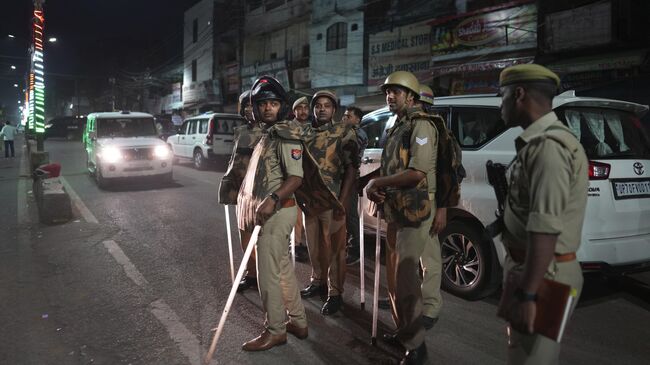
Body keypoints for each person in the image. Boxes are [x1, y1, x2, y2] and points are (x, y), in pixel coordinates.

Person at [498, 64, 588, 364]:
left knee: (530, 360)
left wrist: (528, 294)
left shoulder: (549, 147)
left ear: (519, 94)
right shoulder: (537, 143)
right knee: (523, 354)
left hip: (545, 275)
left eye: (503, 96)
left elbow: (545, 229)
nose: (502, 105)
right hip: (532, 270)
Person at [366, 71, 437, 364]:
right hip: (398, 208)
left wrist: (377, 184)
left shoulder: (421, 126)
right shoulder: (397, 125)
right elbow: (393, 167)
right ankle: (403, 329)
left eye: (396, 91)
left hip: (415, 211)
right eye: (388, 91)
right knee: (395, 278)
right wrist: (377, 185)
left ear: (411, 96)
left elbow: (417, 173)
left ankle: (417, 346)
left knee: (407, 279)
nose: (390, 96)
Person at [237, 76, 308, 351]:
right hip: (270, 213)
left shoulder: (286, 135)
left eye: (273, 103)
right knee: (282, 271)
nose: (268, 108)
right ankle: (298, 322)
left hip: (278, 213)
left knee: (267, 275)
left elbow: (296, 178)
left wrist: (272, 199)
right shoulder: (267, 134)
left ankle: (275, 330)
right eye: (263, 103)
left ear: (282, 106)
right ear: (255, 108)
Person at [300, 90, 360, 316]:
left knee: (336, 250)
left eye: (327, 105)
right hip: (310, 200)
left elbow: (352, 168)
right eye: (318, 105)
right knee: (314, 247)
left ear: (334, 110)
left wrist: (342, 202)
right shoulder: (305, 133)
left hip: (333, 201)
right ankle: (318, 282)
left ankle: (335, 293)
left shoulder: (343, 132)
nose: (322, 109)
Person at [218, 90, 264, 292]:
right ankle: (251, 274)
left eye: (252, 105)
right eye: (245, 105)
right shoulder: (239, 131)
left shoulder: (271, 131)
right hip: (241, 193)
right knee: (244, 238)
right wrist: (228, 186)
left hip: (261, 193)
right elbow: (234, 162)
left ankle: (266, 277)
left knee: (264, 241)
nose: (249, 109)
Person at [341, 106, 368, 265]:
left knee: (350, 215)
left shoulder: (357, 134)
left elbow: (351, 158)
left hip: (349, 179)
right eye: (344, 115)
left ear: (357, 119)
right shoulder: (346, 131)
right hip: (343, 178)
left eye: (348, 116)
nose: (344, 118)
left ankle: (355, 250)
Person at [291, 96, 310, 262]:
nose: (303, 111)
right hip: (294, 176)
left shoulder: (313, 128)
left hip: (310, 179)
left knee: (309, 214)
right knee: (295, 215)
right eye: (300, 108)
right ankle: (295, 244)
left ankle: (307, 244)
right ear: (294, 111)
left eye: (306, 108)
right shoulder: (288, 129)